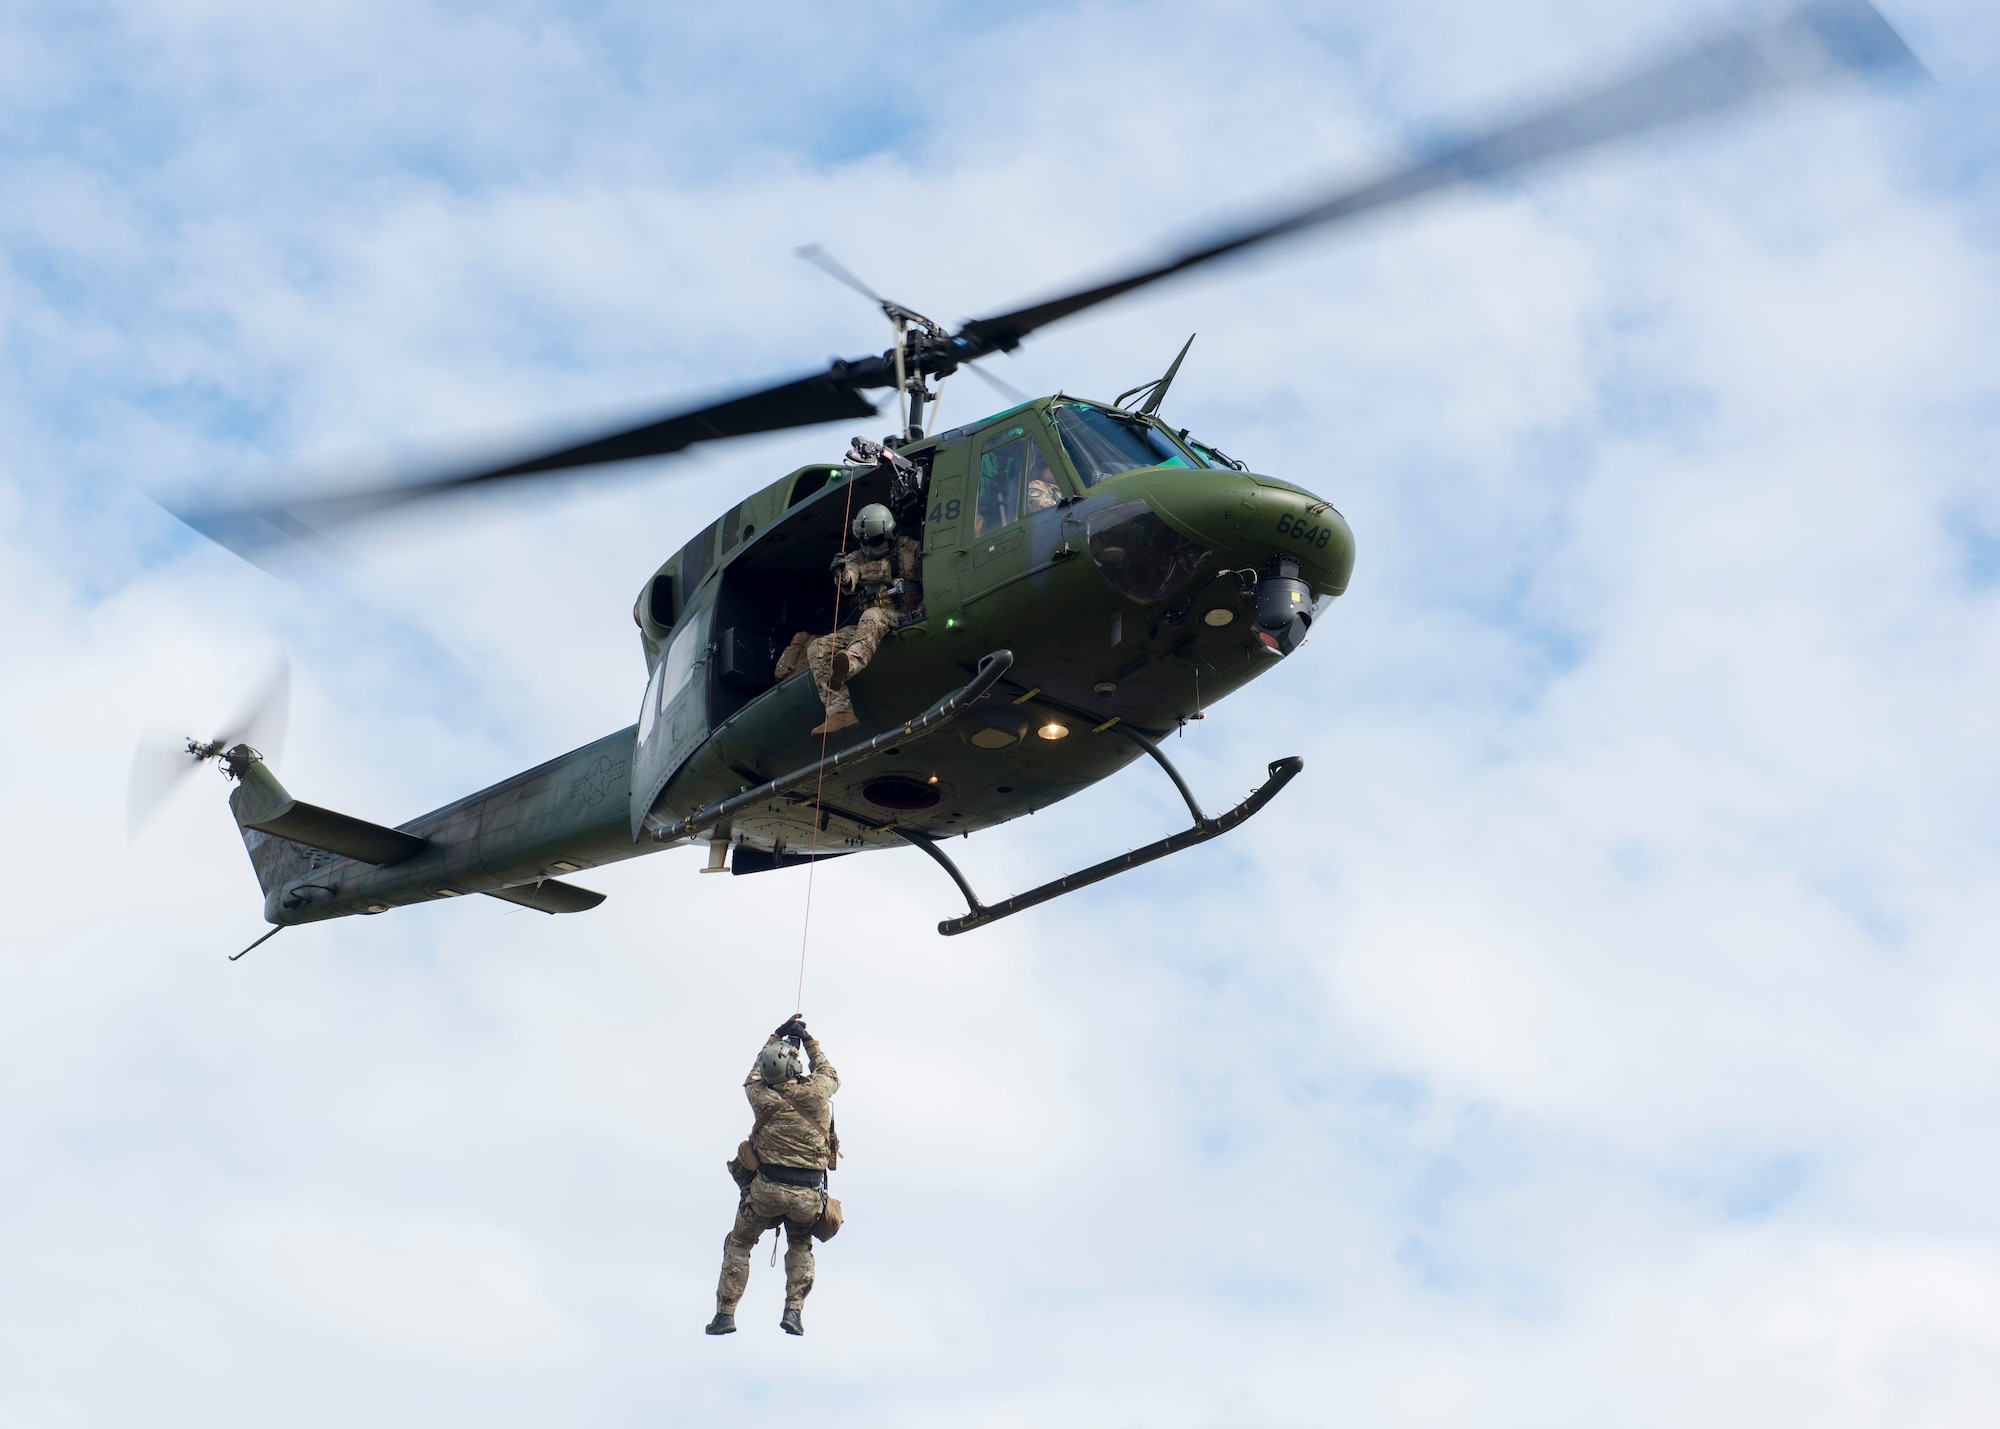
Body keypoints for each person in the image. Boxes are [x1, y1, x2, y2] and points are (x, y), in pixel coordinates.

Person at [707, 1016, 841, 1337]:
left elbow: (755, 1072)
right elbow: (829, 1072)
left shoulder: (760, 1097)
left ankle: (725, 1314)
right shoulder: (817, 1093)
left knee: (739, 1245)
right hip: (807, 1197)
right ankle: (793, 1311)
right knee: (800, 1245)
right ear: (794, 1069)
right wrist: (806, 1039)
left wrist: (777, 1035)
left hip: (765, 1192)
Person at [805, 503, 924, 736]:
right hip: (868, 626)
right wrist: (841, 573)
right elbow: (849, 577)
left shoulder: (912, 551)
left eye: (875, 542)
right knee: (817, 647)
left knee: (872, 615)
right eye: (866, 543)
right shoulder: (857, 557)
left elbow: (931, 580)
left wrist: (922, 611)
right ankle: (839, 712)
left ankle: (849, 663)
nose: (870, 548)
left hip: (904, 616)